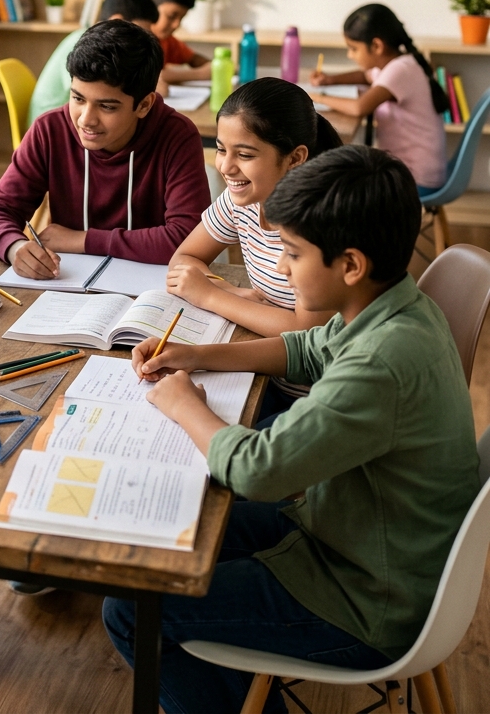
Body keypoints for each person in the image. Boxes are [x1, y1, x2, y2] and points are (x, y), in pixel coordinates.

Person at [102, 145, 480, 714]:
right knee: (165, 535)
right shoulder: (396, 307)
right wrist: (198, 354)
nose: (279, 268)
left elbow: (258, 471)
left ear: (350, 265)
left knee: (132, 610)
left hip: (368, 599)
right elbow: (305, 347)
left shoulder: (380, 363)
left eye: (294, 253)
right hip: (358, 536)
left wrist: (184, 406)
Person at [167, 78, 342, 422]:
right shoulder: (241, 199)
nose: (225, 167)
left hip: (314, 397)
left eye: (245, 155)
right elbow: (184, 260)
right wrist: (232, 292)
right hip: (263, 376)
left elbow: (305, 335)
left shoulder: (318, 223)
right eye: (221, 149)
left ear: (295, 158)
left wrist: (212, 296)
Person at [0, 19, 211, 278]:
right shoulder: (49, 130)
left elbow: (188, 238)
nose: (86, 119)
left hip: (149, 288)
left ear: (144, 105)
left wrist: (82, 240)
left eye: (106, 106)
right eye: (78, 98)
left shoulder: (177, 136)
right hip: (67, 282)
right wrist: (14, 247)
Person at [310, 2, 449, 189]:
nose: (350, 55)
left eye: (353, 48)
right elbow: (366, 76)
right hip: (415, 170)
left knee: (340, 183)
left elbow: (359, 107)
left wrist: (317, 97)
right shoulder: (397, 64)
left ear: (377, 46)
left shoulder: (400, 70)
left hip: (414, 178)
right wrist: (330, 80)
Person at [27, 0, 159, 123]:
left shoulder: (102, 46)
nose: (140, 40)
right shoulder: (85, 44)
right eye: (138, 30)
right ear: (117, 20)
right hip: (54, 124)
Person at [147, 0, 210, 85]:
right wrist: (200, 74)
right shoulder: (133, 40)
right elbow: (148, 75)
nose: (177, 25)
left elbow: (194, 59)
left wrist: (216, 65)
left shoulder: (167, 41)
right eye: (171, 16)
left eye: (181, 18)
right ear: (149, 7)